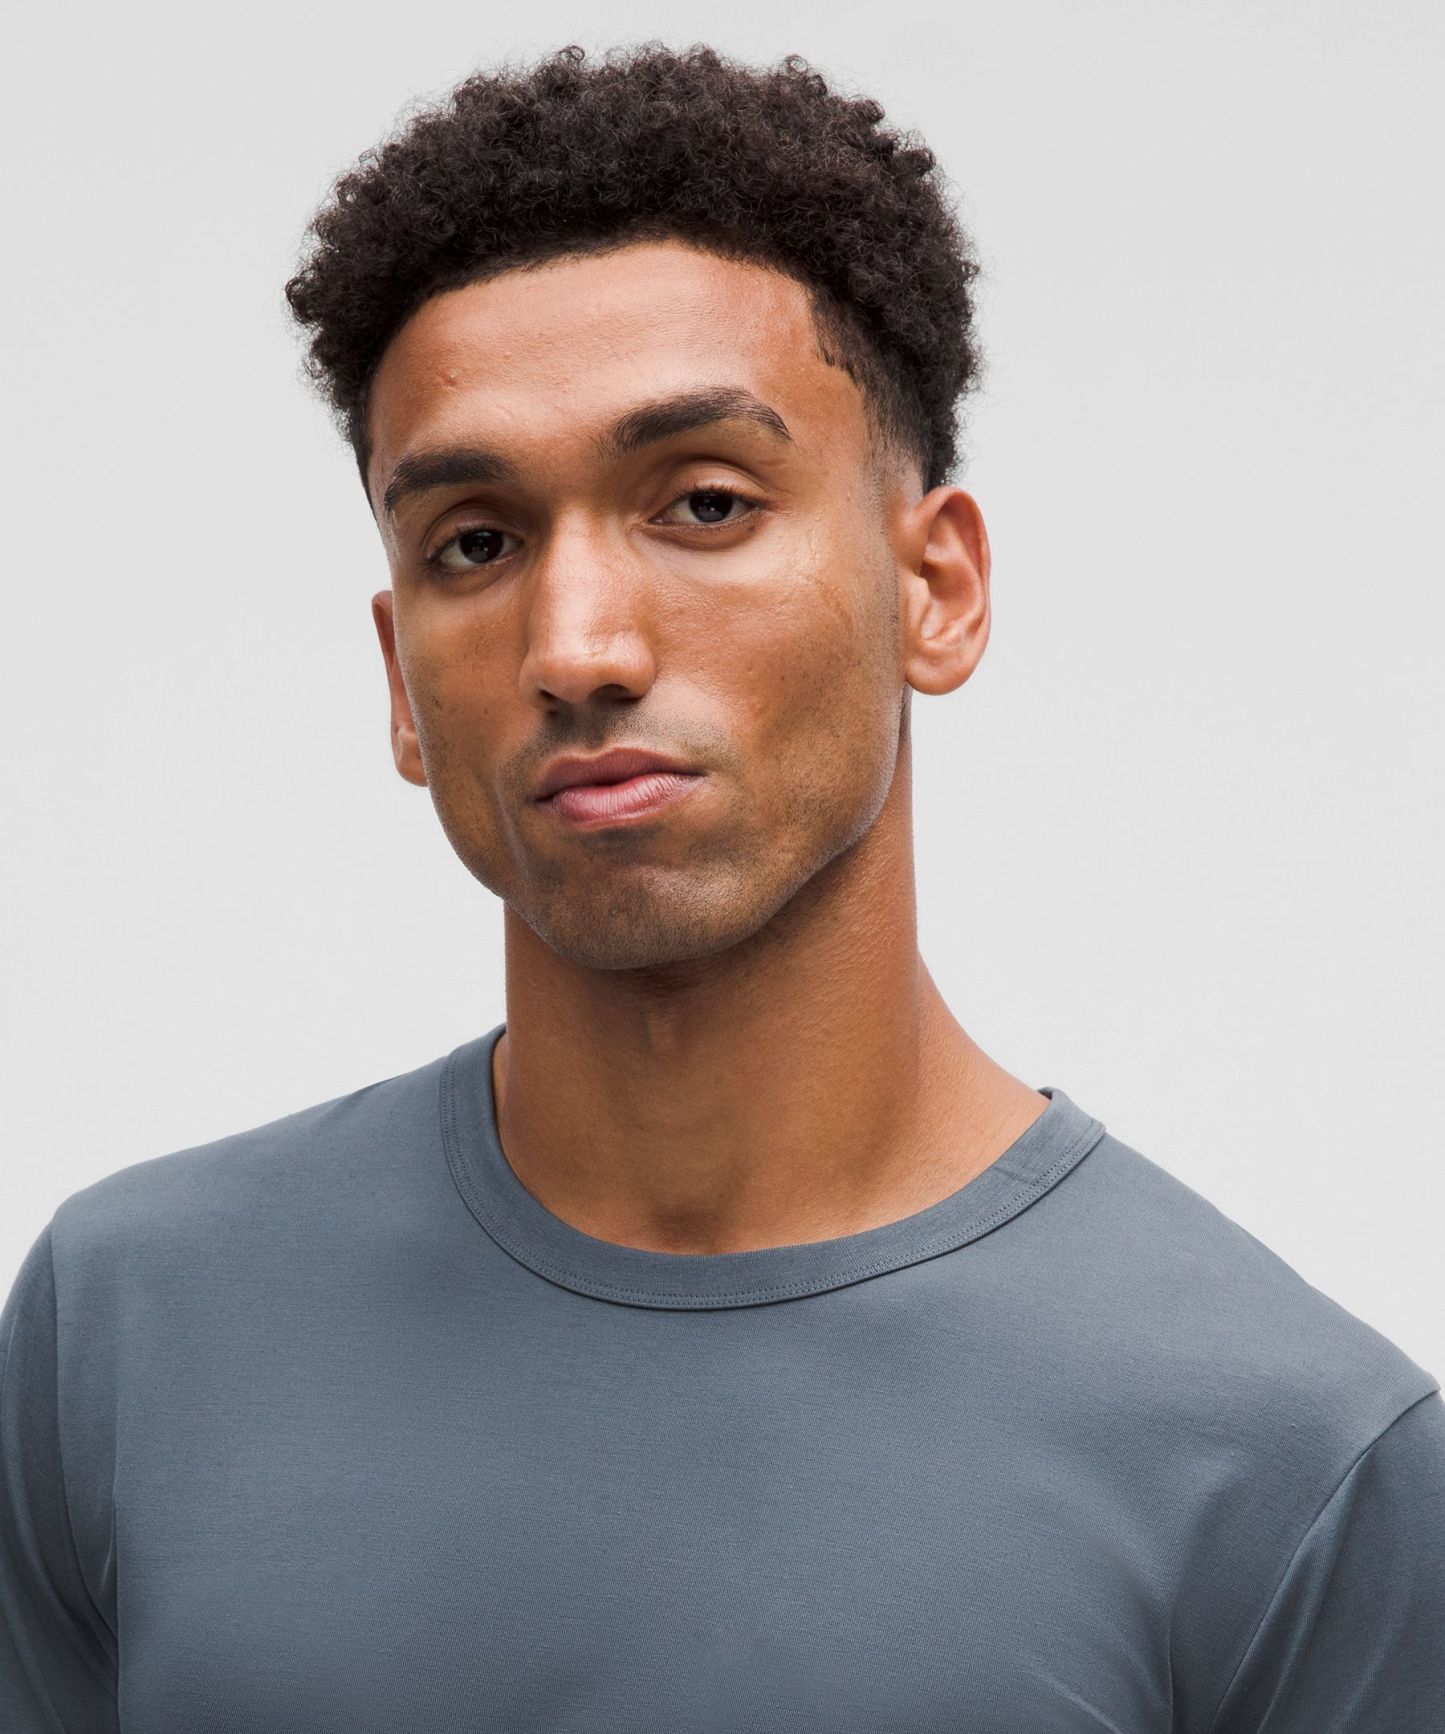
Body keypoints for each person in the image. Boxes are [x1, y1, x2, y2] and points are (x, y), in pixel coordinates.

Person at [2, 42, 1441, 1732]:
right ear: (399, 678)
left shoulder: (1296, 1467)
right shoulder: (124, 1331)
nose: (576, 645)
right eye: (476, 541)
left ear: (935, 587)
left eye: (701, 501)